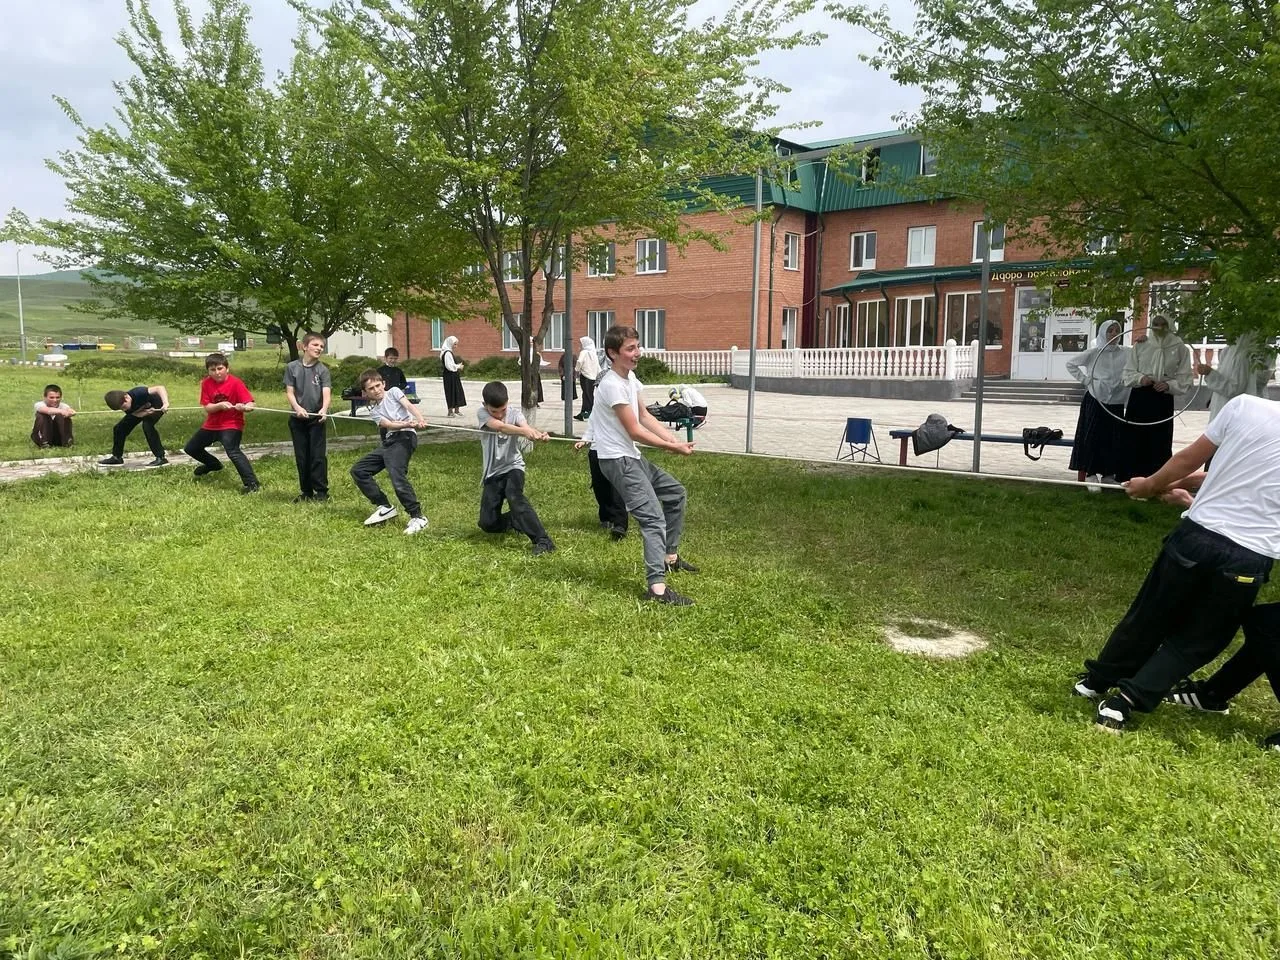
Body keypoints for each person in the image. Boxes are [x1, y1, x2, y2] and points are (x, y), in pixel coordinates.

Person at [1074, 393, 1280, 733]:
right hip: (1247, 557)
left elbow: (1188, 459)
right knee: (1199, 639)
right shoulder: (1245, 407)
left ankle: (1096, 681)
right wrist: (1172, 487)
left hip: (1195, 538)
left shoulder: (1245, 406)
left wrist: (1151, 485)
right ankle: (1123, 702)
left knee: (1149, 614)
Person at [593, 324, 698, 605]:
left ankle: (669, 557)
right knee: (652, 519)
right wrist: (671, 447)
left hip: (630, 456)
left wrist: (672, 438)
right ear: (612, 353)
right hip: (617, 460)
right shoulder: (611, 385)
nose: (637, 352)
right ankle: (657, 589)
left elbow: (644, 416)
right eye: (630, 348)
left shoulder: (629, 378)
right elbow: (634, 431)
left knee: (675, 493)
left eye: (637, 346)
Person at [476, 380, 556, 555]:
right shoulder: (482, 413)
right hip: (493, 472)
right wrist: (524, 432)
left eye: (503, 410)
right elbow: (500, 427)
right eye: (494, 411)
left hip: (513, 467)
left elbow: (525, 427)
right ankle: (515, 519)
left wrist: (537, 434)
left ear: (507, 402)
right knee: (487, 523)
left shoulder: (515, 413)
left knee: (515, 496)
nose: (499, 414)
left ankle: (543, 541)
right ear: (485, 405)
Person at [350, 368, 430, 535]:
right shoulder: (374, 411)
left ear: (384, 384)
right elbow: (389, 425)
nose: (376, 390)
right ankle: (384, 506)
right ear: (365, 392)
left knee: (396, 474)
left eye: (378, 385)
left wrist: (420, 419)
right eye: (371, 388)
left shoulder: (393, 392)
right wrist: (405, 423)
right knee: (359, 470)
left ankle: (418, 517)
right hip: (390, 440)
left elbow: (408, 405)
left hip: (405, 437)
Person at [1121, 313, 1192, 479]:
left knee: (1159, 438)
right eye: (1155, 323)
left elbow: (1185, 377)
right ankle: (1131, 477)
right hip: (1140, 396)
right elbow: (1128, 372)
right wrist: (1141, 378)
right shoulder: (1142, 345)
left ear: (1169, 325)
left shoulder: (1179, 347)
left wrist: (1169, 385)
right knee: (1135, 436)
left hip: (1162, 397)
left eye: (1163, 324)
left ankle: (1158, 479)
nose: (1158, 328)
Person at [183, 352, 261, 494]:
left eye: (220, 368)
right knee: (191, 448)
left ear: (227, 368)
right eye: (212, 370)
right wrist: (219, 405)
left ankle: (252, 484)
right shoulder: (206, 383)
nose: (217, 372)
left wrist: (245, 407)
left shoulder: (236, 383)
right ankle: (213, 464)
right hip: (211, 425)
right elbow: (208, 407)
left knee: (233, 451)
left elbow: (251, 404)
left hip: (232, 424)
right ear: (208, 371)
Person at [1065, 317, 1130, 485]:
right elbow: (1071, 364)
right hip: (1096, 399)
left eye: (1117, 331)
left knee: (1113, 437)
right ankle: (1090, 473)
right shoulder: (1094, 352)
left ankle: (1108, 474)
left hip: (1116, 400)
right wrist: (1086, 380)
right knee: (1093, 436)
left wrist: (1143, 342)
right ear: (1103, 333)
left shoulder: (1125, 352)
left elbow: (1140, 356)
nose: (1114, 334)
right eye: (1110, 331)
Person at [284, 332, 332, 502]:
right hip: (297, 420)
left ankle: (321, 492)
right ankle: (306, 492)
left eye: (322, 346)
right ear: (304, 346)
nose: (319, 348)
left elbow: (326, 394)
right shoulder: (292, 367)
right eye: (315, 345)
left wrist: (324, 409)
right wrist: (297, 408)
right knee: (302, 456)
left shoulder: (323, 370)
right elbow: (290, 392)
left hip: (316, 419)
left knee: (317, 456)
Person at [574, 411, 629, 540]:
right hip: (596, 452)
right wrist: (584, 440)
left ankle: (620, 524)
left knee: (617, 488)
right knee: (599, 486)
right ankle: (605, 517)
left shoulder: (622, 408)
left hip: (615, 452)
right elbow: (591, 427)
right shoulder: (598, 408)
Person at [1198, 331, 1274, 422]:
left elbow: (1235, 389)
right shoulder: (1228, 351)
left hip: (1236, 411)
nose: (1225, 333)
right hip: (1229, 408)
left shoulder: (1243, 356)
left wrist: (1210, 373)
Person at [100, 383, 170, 466]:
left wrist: (165, 403)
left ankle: (161, 457)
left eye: (124, 407)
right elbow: (136, 414)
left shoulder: (138, 393)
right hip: (141, 410)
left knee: (147, 426)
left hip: (157, 405)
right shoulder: (124, 404)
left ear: (126, 397)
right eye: (121, 409)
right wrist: (145, 413)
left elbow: (159, 388)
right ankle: (117, 457)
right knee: (119, 428)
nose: (124, 410)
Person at [31, 384, 76, 449]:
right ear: (45, 397)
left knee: (62, 417)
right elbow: (48, 410)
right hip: (41, 435)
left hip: (57, 436)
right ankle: (44, 443)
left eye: (57, 397)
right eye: (51, 397)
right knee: (42, 415)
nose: (55, 400)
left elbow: (69, 410)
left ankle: (67, 441)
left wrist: (71, 412)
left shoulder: (64, 406)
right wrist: (62, 411)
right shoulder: (39, 404)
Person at [575, 335, 600, 420]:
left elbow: (579, 361)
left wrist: (576, 370)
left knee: (587, 395)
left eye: (581, 343)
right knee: (588, 394)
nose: (580, 345)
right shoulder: (593, 353)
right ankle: (583, 413)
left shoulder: (584, 352)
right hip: (593, 377)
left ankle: (591, 412)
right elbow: (597, 366)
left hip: (585, 376)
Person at [440, 336, 466, 417]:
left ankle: (457, 410)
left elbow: (451, 364)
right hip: (449, 375)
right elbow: (449, 366)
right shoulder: (447, 353)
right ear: (450, 343)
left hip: (453, 375)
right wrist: (458, 366)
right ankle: (450, 411)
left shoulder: (449, 352)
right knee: (450, 392)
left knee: (457, 391)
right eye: (455, 344)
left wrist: (457, 366)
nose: (456, 346)